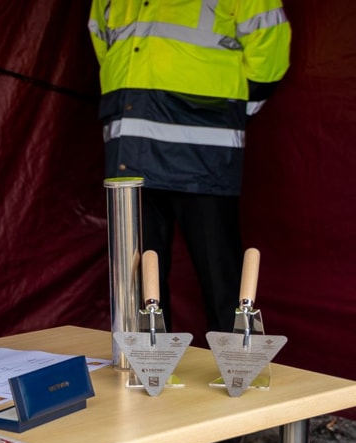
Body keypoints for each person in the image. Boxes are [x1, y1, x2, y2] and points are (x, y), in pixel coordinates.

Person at [88, 1, 291, 333]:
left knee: (222, 281)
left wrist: (227, 110)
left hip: (203, 149)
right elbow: (106, 49)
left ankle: (236, 373)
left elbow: (270, 52)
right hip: (131, 150)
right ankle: (150, 374)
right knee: (139, 288)